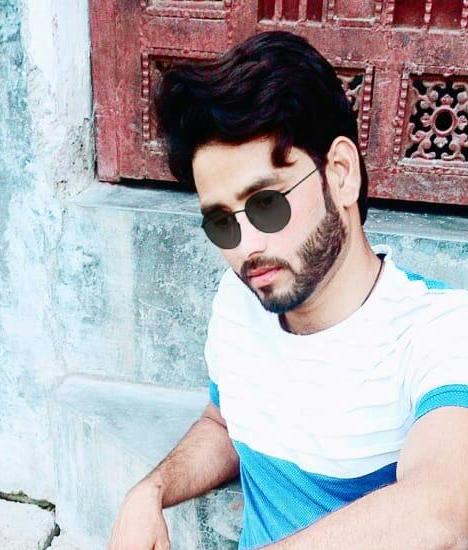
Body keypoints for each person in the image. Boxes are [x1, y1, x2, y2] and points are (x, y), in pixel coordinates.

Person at [108, 31, 468, 550]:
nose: (246, 246)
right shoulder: (240, 303)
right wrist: (151, 491)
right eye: (222, 223)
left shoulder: (439, 331)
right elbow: (225, 423)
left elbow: (443, 505)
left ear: (340, 175)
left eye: (266, 205)